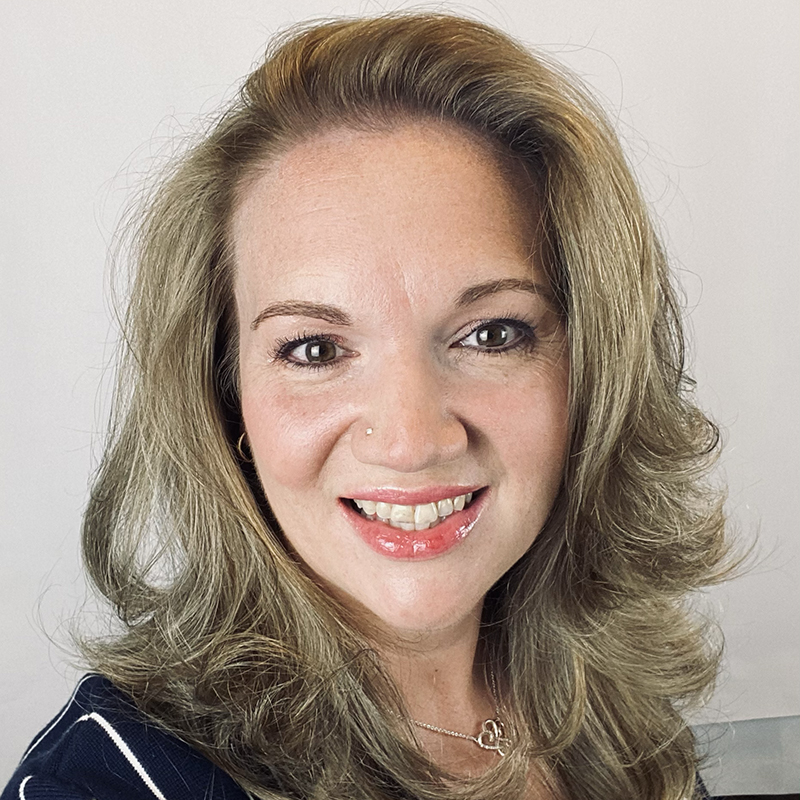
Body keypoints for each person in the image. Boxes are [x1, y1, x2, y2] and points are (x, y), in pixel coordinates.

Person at [2, 12, 728, 800]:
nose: (412, 439)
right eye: (315, 350)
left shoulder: (617, 706)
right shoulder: (114, 779)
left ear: (593, 367)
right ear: (226, 400)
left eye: (490, 333)